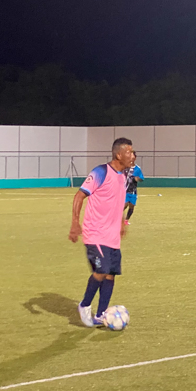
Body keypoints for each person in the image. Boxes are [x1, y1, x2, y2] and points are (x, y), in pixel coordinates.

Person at [69, 137, 133, 327]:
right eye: (129, 152)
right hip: (95, 233)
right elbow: (79, 195)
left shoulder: (123, 176)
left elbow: (117, 201)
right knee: (101, 270)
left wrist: (121, 222)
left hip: (112, 236)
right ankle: (84, 305)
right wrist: (75, 223)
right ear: (118, 154)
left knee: (110, 274)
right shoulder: (101, 171)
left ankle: (101, 314)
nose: (132, 156)